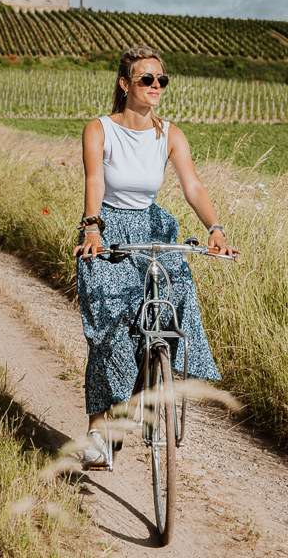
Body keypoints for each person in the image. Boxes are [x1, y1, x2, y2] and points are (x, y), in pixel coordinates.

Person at [73, 44, 239, 468]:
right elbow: (94, 180)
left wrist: (215, 230)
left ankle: (149, 386)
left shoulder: (170, 134)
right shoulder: (100, 130)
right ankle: (97, 431)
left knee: (177, 294)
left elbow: (193, 187)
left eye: (161, 79)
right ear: (125, 84)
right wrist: (92, 226)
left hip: (152, 226)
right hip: (109, 228)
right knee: (110, 331)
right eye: (146, 79)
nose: (156, 86)